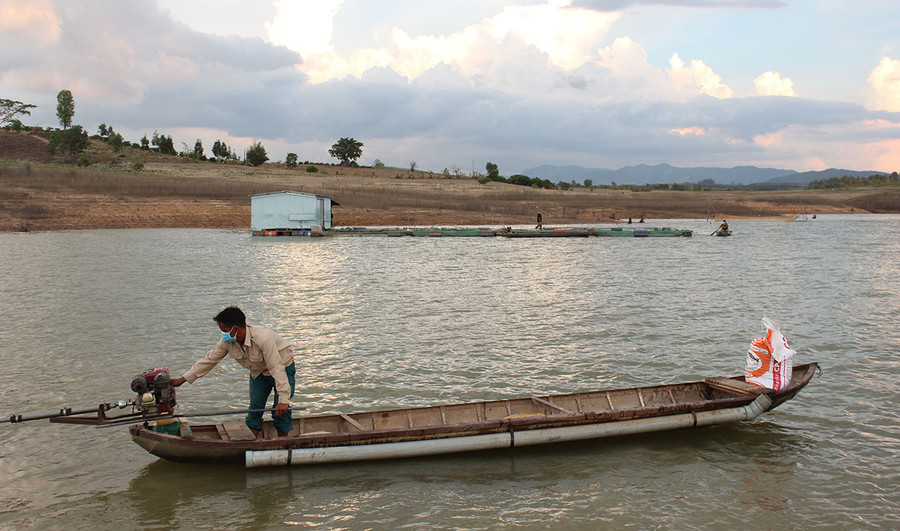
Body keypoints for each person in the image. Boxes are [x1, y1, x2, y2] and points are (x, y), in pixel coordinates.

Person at [171, 306, 295, 437]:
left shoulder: (263, 339)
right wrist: (182, 379)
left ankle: (284, 442)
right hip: (258, 372)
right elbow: (210, 360)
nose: (223, 334)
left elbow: (276, 368)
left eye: (224, 330)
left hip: (283, 367)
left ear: (235, 329)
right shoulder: (228, 341)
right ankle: (251, 440)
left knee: (280, 409)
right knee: (255, 408)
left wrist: (283, 400)